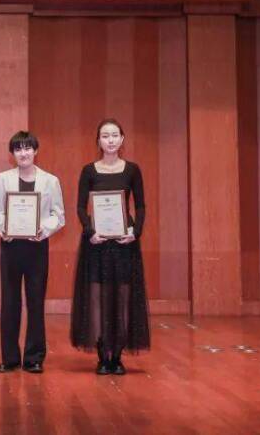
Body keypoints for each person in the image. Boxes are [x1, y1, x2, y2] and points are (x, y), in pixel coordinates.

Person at [70, 118, 150, 375]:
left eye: (115, 135)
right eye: (105, 135)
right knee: (97, 297)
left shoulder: (132, 170)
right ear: (98, 141)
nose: (110, 140)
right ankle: (102, 355)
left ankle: (117, 355)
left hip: (124, 243)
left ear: (122, 139)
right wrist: (90, 232)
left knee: (123, 296)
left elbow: (140, 206)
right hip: (97, 243)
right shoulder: (89, 171)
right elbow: (80, 207)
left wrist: (135, 232)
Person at [0, 130, 65, 374]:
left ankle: (34, 358)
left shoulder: (50, 180)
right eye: (18, 149)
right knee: (10, 302)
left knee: (36, 302)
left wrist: (44, 229)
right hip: (11, 246)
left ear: (35, 150)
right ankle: (10, 358)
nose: (23, 153)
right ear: (12, 154)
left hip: (37, 246)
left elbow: (58, 215)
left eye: (28, 148)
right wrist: (4, 229)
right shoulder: (3, 179)